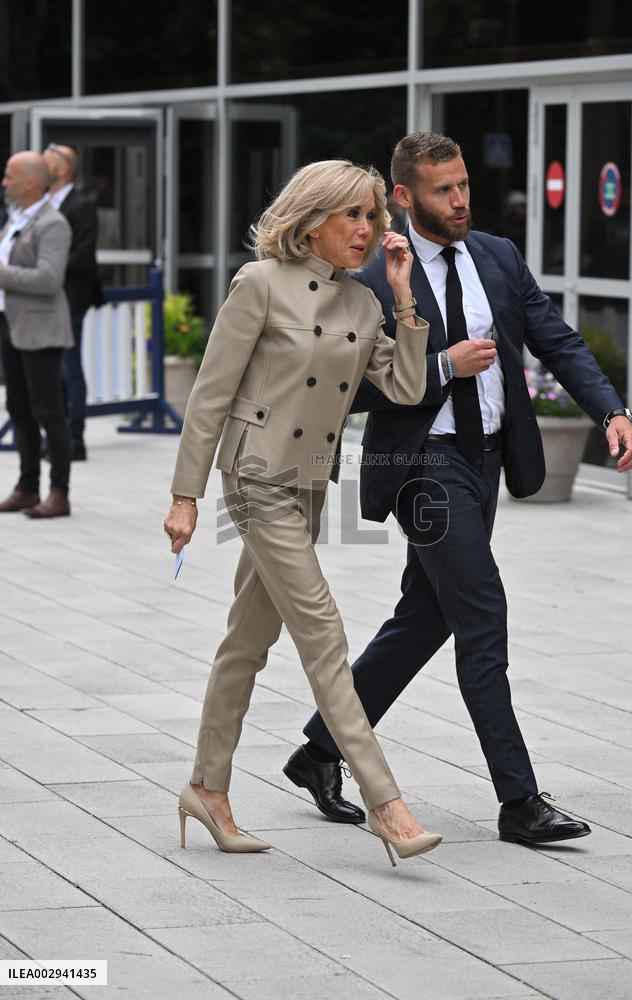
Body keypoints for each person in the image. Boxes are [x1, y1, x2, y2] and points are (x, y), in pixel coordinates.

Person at [287, 132, 632, 845]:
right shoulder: (369, 272)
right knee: (482, 614)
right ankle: (519, 801)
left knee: (424, 617)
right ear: (403, 196)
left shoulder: (498, 257)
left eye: (464, 186)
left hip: (483, 465)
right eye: (444, 191)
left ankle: (320, 749)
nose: (460, 201)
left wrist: (612, 409)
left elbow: (557, 339)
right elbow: (339, 387)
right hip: (419, 465)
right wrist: (442, 365)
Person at [163, 159, 441, 865]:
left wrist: (405, 297)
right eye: (351, 214)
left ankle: (206, 786)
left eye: (373, 215)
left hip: (309, 484)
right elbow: (210, 394)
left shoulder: (365, 303)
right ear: (311, 218)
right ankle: (387, 803)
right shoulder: (259, 285)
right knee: (322, 630)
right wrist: (185, 495)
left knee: (246, 644)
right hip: (255, 479)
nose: (366, 228)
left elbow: (407, 388)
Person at [0, 152, 73, 518]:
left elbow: (48, 279)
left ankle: (59, 491)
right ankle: (28, 486)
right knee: (19, 408)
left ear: (30, 181)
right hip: (13, 325)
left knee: (49, 411)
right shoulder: (18, 218)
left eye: (9, 176)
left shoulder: (53, 222)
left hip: (41, 329)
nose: (4, 182)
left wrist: (2, 272)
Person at [43, 143, 103, 462]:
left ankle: (75, 438)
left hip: (69, 299)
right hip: (44, 300)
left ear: (64, 167)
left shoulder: (80, 205)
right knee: (51, 370)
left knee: (69, 368)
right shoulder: (41, 203)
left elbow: (83, 256)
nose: (42, 162)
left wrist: (44, 266)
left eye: (48, 158)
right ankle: (54, 436)